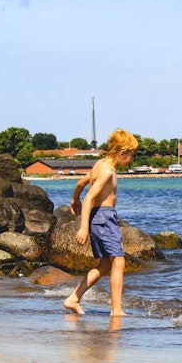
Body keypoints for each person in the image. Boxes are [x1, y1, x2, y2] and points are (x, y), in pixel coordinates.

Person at [63, 128, 138, 316]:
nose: (132, 159)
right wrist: (83, 228)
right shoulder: (107, 171)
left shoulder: (99, 164)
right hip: (104, 218)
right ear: (122, 153)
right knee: (118, 261)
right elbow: (89, 197)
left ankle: (73, 298)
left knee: (105, 265)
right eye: (131, 155)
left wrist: (74, 200)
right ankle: (116, 310)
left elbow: (81, 183)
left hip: (101, 217)